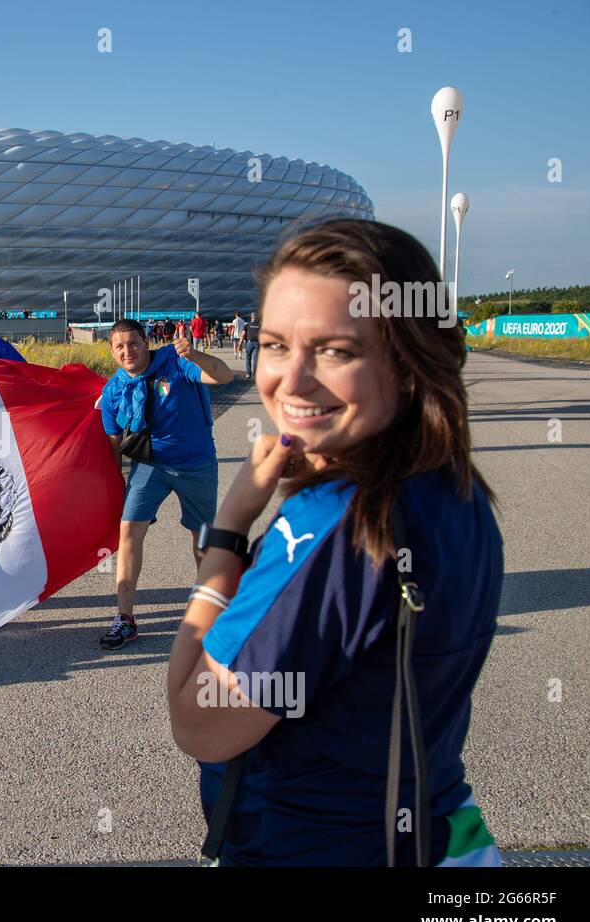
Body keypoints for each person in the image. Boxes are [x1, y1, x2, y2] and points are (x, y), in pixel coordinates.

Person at [165, 218, 503, 866]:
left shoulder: (335, 527)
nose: (291, 381)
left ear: (405, 364)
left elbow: (197, 719)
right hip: (435, 830)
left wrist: (231, 530)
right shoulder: (455, 488)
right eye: (274, 344)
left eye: (335, 351)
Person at [99, 320, 234, 650]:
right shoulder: (114, 389)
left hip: (196, 463)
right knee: (129, 530)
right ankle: (124, 618)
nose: (127, 351)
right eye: (120, 346)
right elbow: (114, 440)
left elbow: (223, 375)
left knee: (201, 535)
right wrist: (117, 479)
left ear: (147, 342)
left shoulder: (176, 361)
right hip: (150, 466)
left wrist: (196, 354)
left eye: (134, 343)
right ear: (112, 351)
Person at [243, 310, 261, 378]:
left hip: (249, 343)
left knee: (248, 358)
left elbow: (243, 334)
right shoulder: (260, 325)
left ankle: (248, 373)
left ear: (251, 317)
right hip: (257, 343)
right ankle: (255, 373)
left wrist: (239, 343)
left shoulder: (247, 324)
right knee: (255, 359)